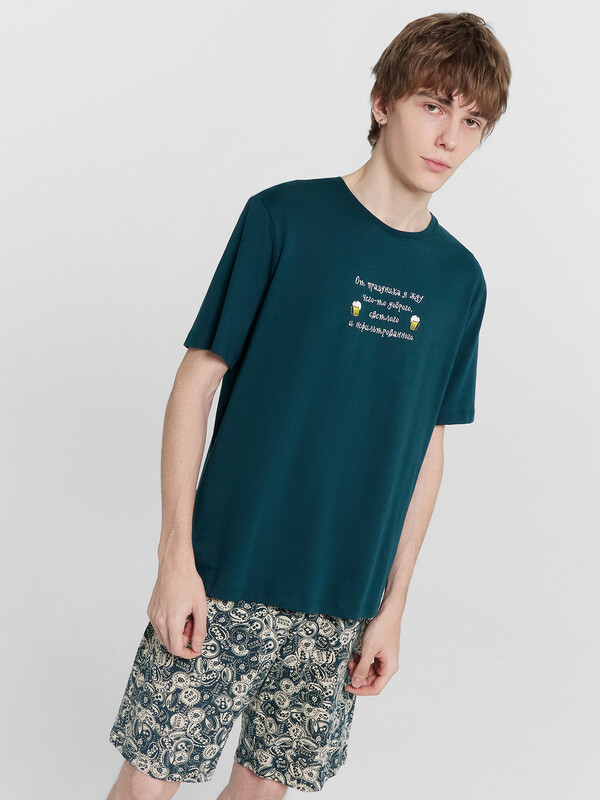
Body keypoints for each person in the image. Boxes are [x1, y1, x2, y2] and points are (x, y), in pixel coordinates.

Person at [106, 11, 511, 800]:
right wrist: (175, 559)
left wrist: (392, 606)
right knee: (147, 786)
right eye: (433, 105)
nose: (449, 138)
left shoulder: (460, 280)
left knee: (263, 792)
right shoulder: (283, 218)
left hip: (342, 605)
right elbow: (196, 382)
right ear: (382, 102)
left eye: (472, 122)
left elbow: (427, 448)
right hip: (224, 574)